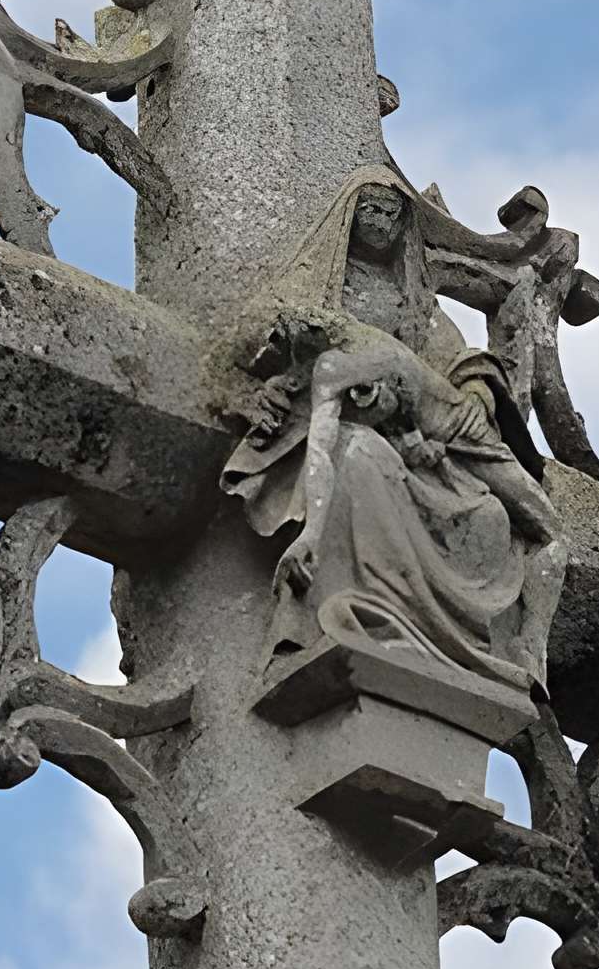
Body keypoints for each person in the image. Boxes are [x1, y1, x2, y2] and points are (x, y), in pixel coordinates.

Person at [222, 168, 565, 696]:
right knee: (359, 459)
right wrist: (260, 390)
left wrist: (476, 392)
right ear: (348, 218)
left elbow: (457, 359)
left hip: (431, 442)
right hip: (351, 433)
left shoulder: (413, 299)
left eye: (391, 213)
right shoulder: (319, 294)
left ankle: (504, 645)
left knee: (498, 515)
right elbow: (259, 337)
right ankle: (370, 611)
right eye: (369, 211)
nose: (380, 223)